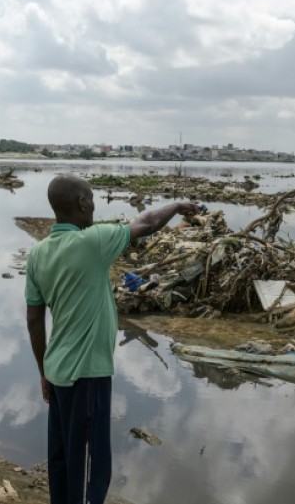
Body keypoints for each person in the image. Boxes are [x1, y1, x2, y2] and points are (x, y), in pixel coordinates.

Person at [25, 174, 199, 504]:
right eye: (91, 198)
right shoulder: (94, 242)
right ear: (82, 203)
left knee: (62, 458)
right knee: (92, 464)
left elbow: (34, 320)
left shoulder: (37, 254)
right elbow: (147, 223)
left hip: (57, 371)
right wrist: (177, 205)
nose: (94, 205)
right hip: (87, 374)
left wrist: (43, 372)